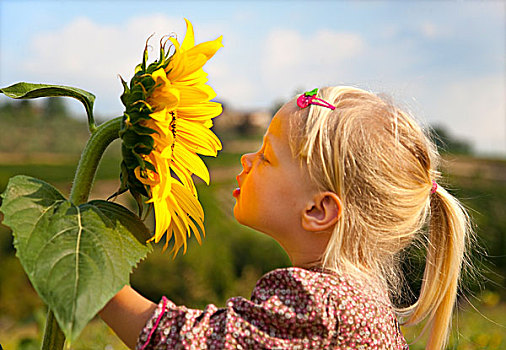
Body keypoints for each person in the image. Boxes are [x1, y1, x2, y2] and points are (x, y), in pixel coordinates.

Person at [99, 86, 472, 350]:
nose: (246, 161)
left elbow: (187, 343)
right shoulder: (359, 297)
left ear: (318, 210)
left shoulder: (319, 305)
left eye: (266, 157)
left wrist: (97, 286)